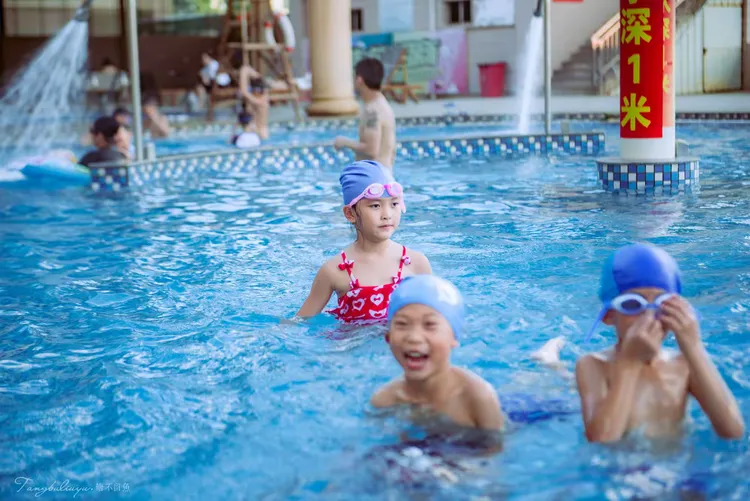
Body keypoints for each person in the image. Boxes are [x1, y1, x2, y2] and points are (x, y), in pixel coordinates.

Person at [576, 243, 745, 443]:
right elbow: (601, 440)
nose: (649, 316)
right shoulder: (593, 364)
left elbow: (732, 430)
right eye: (632, 304)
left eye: (663, 304)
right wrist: (630, 363)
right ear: (609, 315)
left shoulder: (683, 364)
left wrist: (693, 347)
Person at [296, 160, 431, 322]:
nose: (387, 214)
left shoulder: (416, 263)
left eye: (394, 204)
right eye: (375, 206)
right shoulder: (334, 270)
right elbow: (299, 322)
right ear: (350, 214)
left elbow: (434, 316)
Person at [370, 275, 504, 431]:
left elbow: (496, 445)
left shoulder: (477, 398)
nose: (414, 337)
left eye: (430, 325)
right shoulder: (384, 401)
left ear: (453, 337)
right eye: (402, 324)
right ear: (387, 337)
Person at [334, 58, 396, 170]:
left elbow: (371, 150)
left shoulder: (372, 111)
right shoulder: (383, 105)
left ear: (359, 80)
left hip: (374, 176)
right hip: (384, 174)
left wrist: (344, 142)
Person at [238, 65, 270, 140]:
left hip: (260, 132)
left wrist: (248, 71)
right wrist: (254, 74)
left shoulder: (261, 101)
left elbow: (244, 91)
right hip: (258, 131)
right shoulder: (257, 99)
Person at [140, 72, 170, 138]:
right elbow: (140, 133)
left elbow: (166, 133)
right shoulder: (147, 120)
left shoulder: (162, 118)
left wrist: (153, 118)